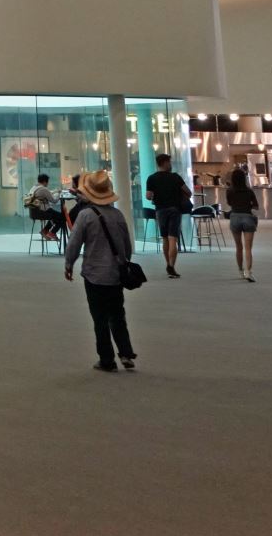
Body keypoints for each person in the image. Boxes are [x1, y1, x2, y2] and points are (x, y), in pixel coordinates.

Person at [63, 172, 138, 372]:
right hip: (115, 274)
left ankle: (107, 360)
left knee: (100, 319)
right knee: (118, 315)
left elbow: (74, 243)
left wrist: (69, 264)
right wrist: (124, 262)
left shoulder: (85, 215)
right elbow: (126, 246)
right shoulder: (117, 215)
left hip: (94, 274)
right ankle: (126, 353)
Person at [145, 153, 190, 279]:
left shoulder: (151, 178)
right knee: (173, 239)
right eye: (169, 162)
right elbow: (188, 191)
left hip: (160, 210)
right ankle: (171, 266)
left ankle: (168, 264)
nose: (171, 165)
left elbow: (148, 196)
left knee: (165, 238)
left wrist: (157, 195)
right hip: (174, 209)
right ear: (165, 163)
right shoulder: (175, 177)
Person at [226, 164, 259, 282]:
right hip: (248, 217)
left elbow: (229, 203)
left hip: (235, 217)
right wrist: (248, 205)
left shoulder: (229, 191)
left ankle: (241, 271)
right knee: (248, 248)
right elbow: (256, 206)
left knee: (238, 246)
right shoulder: (249, 191)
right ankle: (249, 272)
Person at [25, 173, 60, 240]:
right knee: (61, 217)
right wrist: (59, 193)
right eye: (47, 182)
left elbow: (47, 193)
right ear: (44, 181)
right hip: (42, 212)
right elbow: (54, 200)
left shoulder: (34, 187)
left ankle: (45, 230)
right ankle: (52, 233)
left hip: (33, 213)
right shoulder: (44, 189)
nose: (47, 184)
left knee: (55, 215)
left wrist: (55, 191)